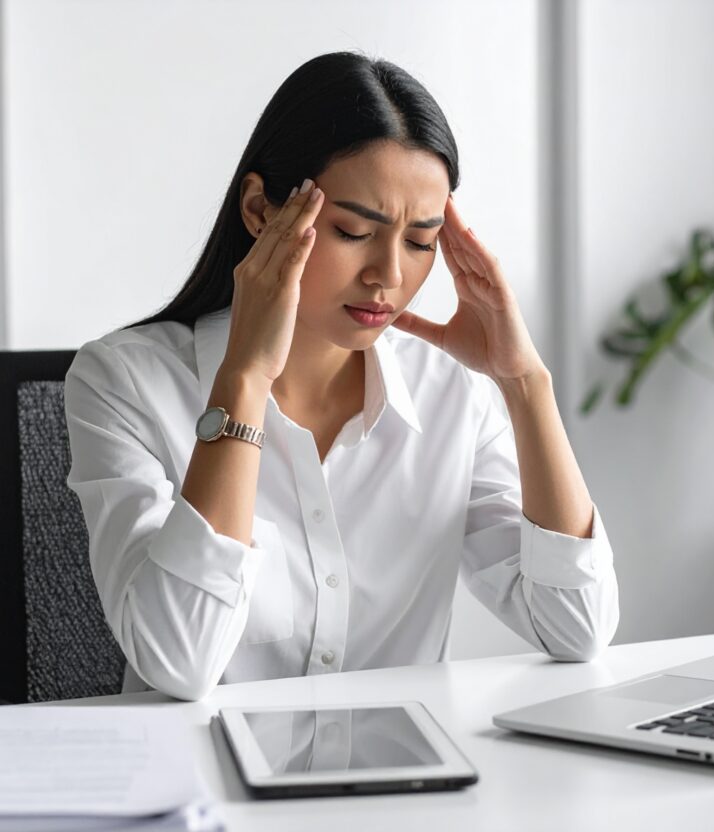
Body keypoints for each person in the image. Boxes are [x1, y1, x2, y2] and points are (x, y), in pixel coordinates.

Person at [64, 51, 619, 702]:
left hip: (404, 766)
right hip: (203, 765)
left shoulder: (452, 394)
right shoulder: (124, 381)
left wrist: (524, 382)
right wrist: (244, 380)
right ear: (259, 209)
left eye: (420, 242)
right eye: (354, 231)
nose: (389, 275)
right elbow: (179, 664)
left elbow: (578, 628)